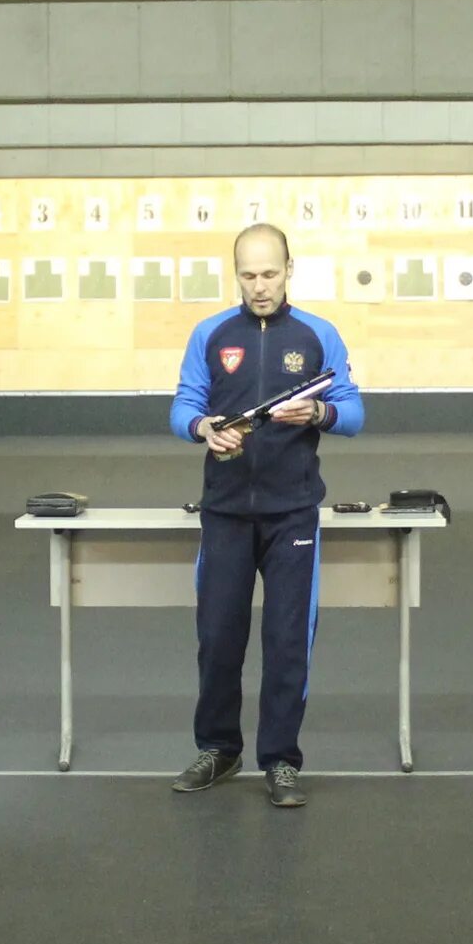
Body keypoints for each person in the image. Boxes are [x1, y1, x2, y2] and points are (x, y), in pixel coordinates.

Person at [168, 223, 365, 809]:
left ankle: (280, 761)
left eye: (270, 273)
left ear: (289, 269)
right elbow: (183, 407)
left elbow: (354, 410)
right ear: (236, 275)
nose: (260, 286)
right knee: (219, 640)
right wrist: (204, 429)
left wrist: (321, 413)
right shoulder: (210, 334)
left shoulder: (318, 334)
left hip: (292, 517)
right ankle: (218, 749)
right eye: (249, 275)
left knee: (287, 644)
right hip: (225, 513)